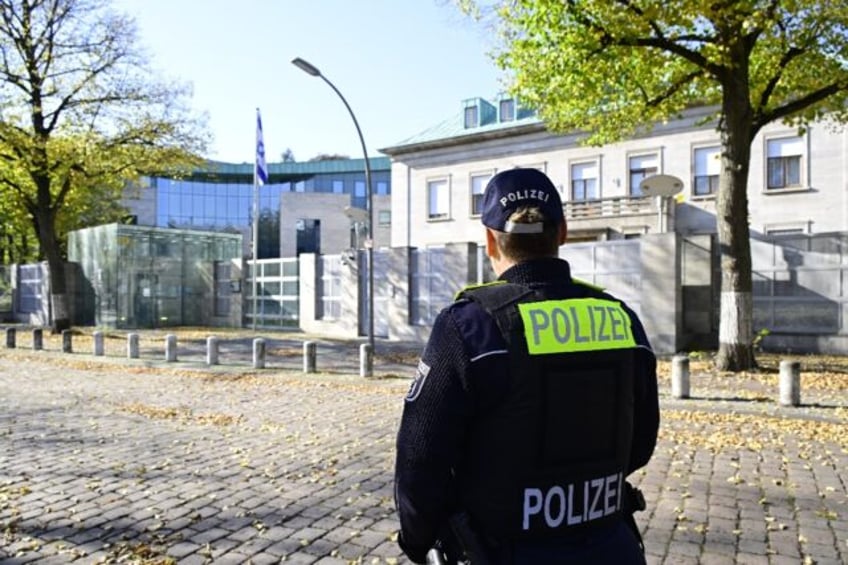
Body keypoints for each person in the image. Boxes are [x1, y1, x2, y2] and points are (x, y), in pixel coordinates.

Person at [394, 168, 659, 564]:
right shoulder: (621, 318)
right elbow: (640, 442)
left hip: (500, 549)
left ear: (489, 241)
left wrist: (418, 542)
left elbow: (420, 458)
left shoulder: (469, 326)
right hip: (611, 545)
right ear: (563, 232)